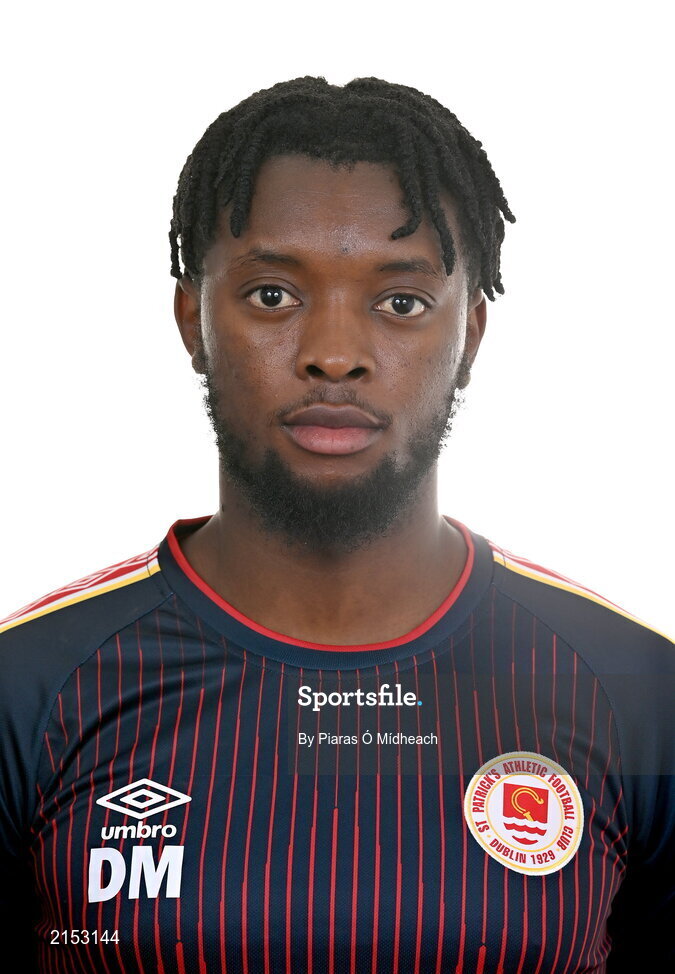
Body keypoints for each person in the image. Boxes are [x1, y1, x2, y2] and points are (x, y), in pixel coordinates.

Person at [0, 76, 672, 974]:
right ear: (192, 319)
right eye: (273, 295)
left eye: (399, 302)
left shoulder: (636, 696)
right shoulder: (29, 690)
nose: (334, 354)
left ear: (470, 333)